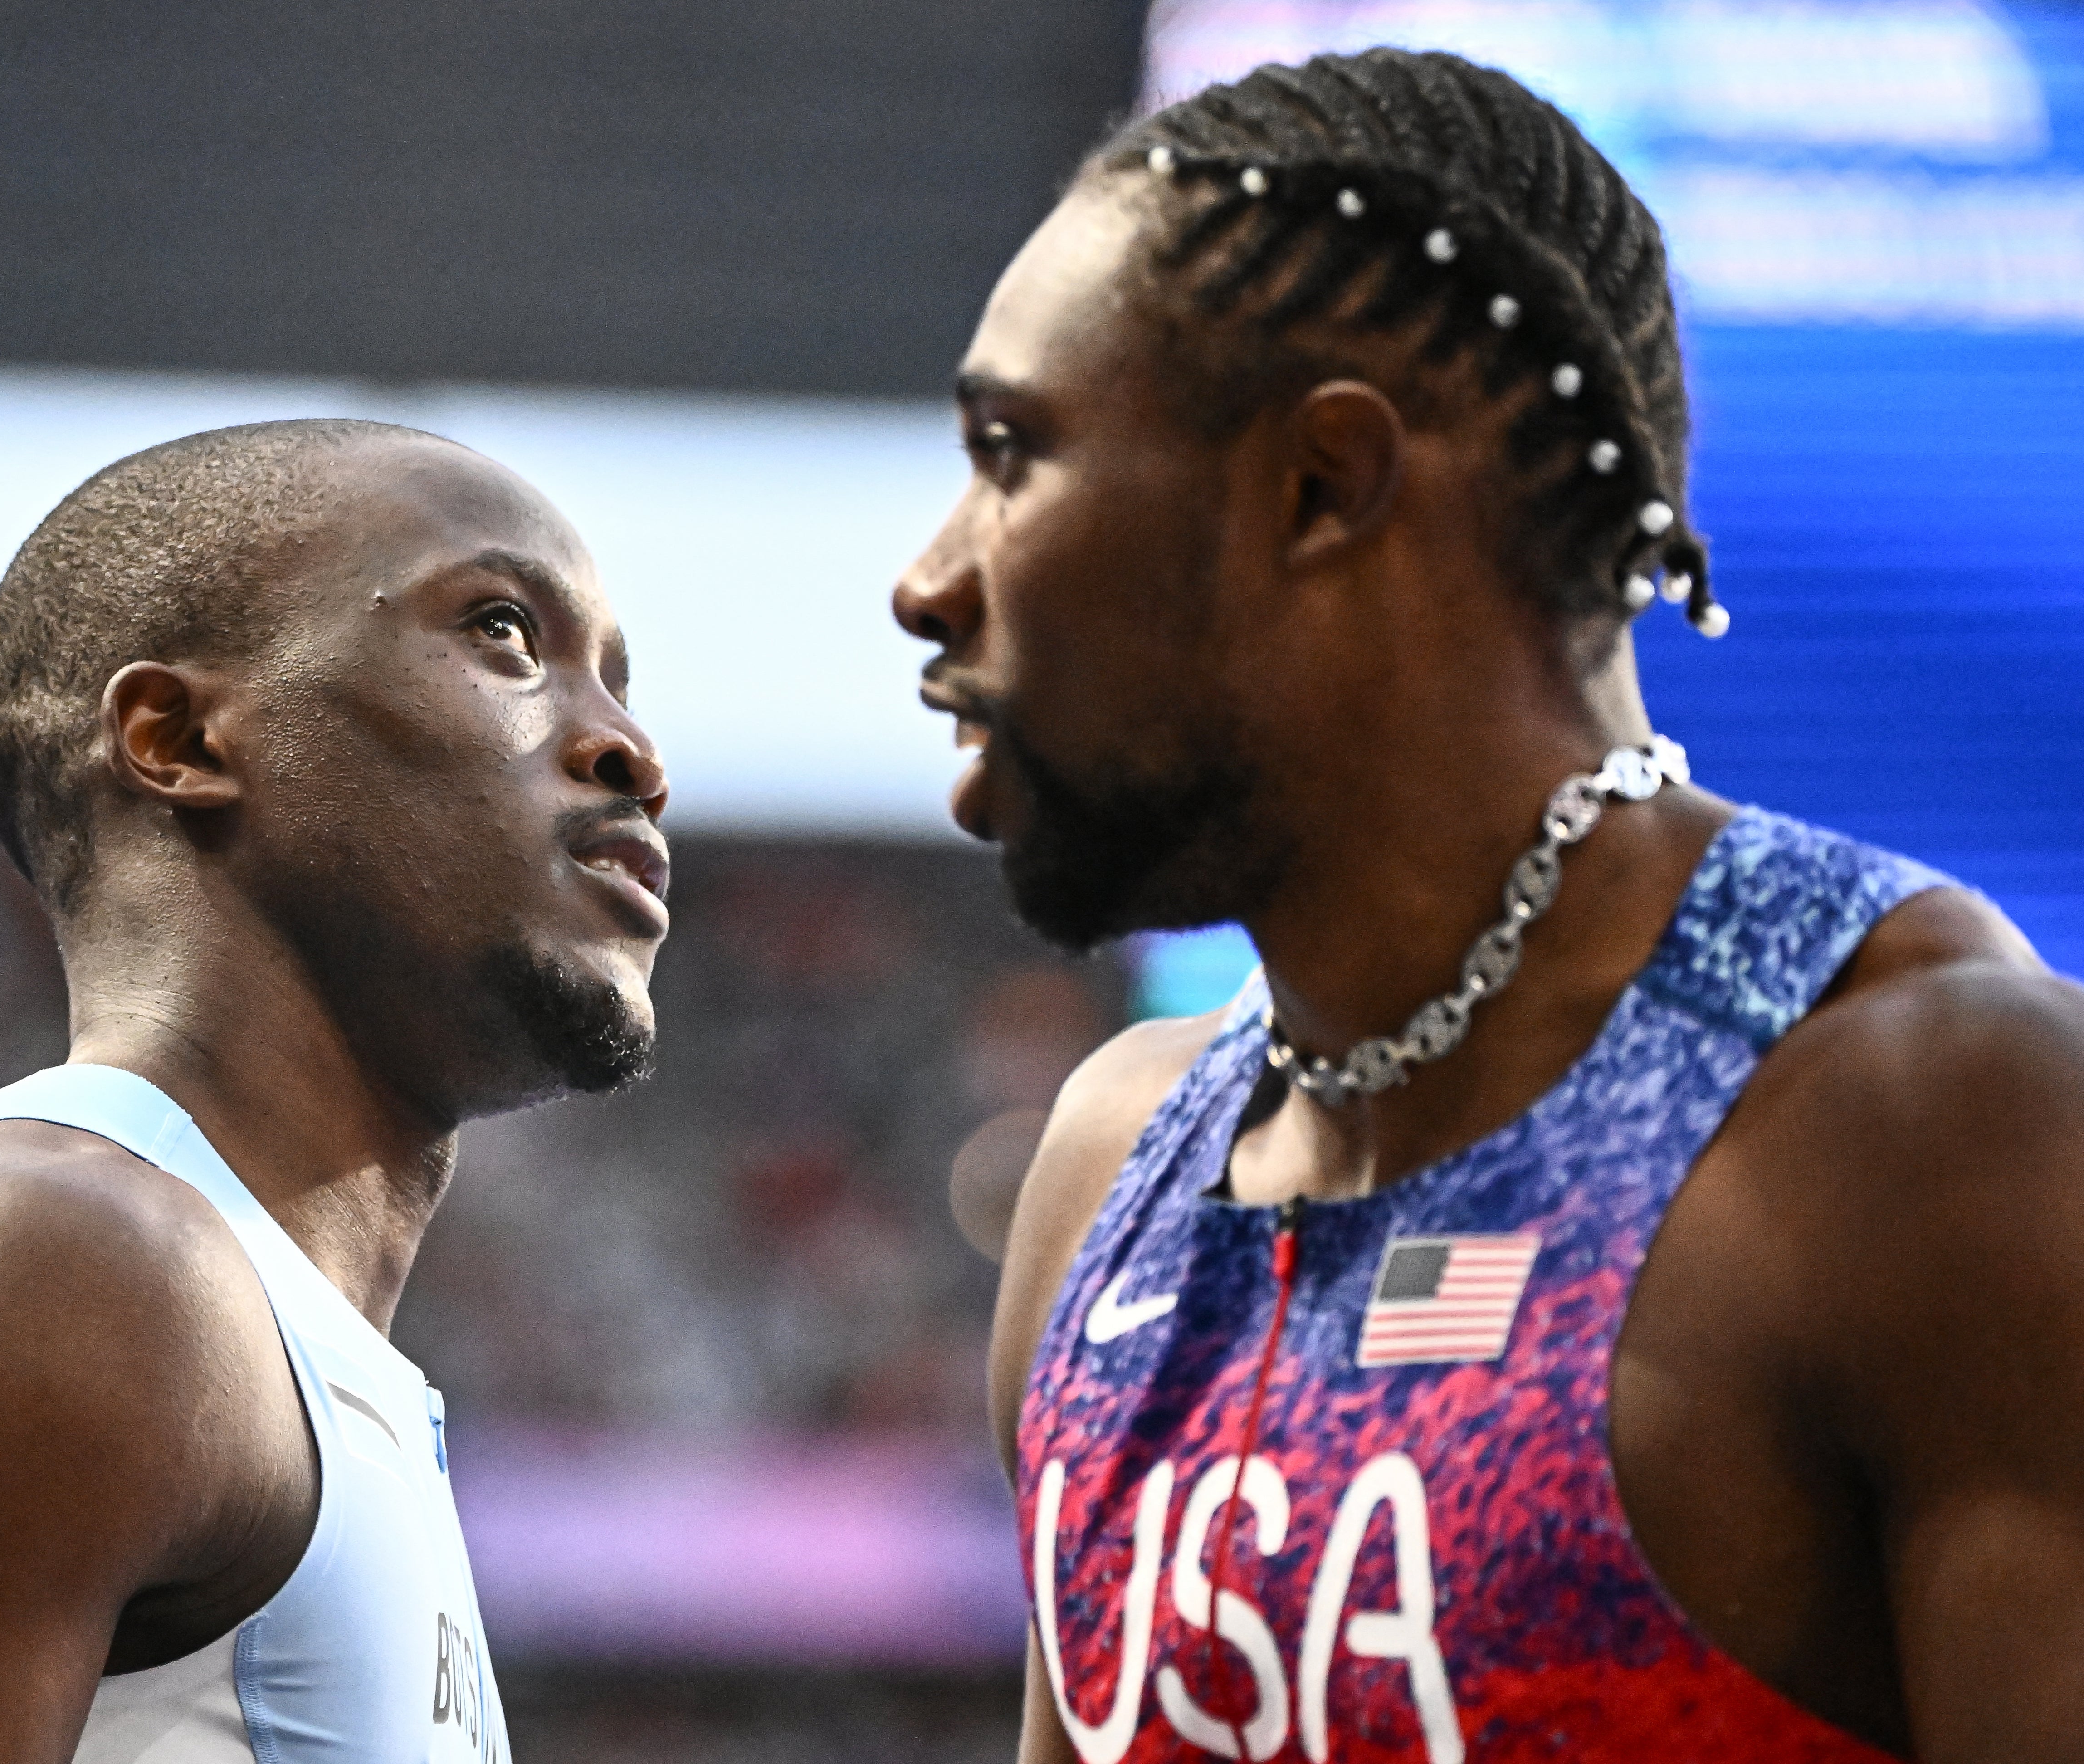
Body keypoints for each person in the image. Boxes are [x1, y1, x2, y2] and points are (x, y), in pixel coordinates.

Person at [893, 47, 2084, 1764]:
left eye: (1013, 452)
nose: (929, 575)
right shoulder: (1110, 1175)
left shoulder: (1934, 1136)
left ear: (1321, 485)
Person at [0, 420, 670, 1762]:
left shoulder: (283, 1342)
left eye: (615, 678)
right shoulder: (46, 1261)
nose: (629, 748)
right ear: (176, 736)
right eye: (504, 634)